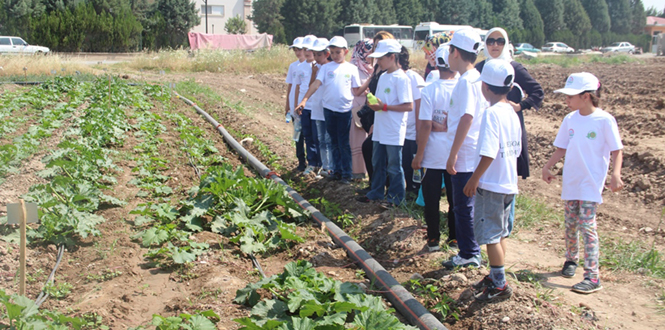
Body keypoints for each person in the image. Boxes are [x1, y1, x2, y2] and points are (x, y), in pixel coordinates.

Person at [542, 72, 623, 294]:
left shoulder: (604, 120)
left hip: (590, 182)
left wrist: (615, 174)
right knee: (570, 223)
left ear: (586, 96)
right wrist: (548, 166)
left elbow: (617, 150)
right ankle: (571, 260)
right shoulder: (570, 119)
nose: (566, 100)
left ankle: (593, 276)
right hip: (572, 181)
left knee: (587, 226)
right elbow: (562, 147)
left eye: (570, 96)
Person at [462, 59, 521, 302]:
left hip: (492, 184)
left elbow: (489, 151)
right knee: (500, 234)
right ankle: (495, 274)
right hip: (508, 182)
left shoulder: (491, 114)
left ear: (485, 87)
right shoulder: (511, 112)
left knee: (489, 236)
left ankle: (499, 285)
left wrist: (474, 179)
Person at [475, 27, 544, 235]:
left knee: (507, 174)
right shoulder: (480, 67)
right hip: (485, 125)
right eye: (490, 42)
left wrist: (521, 106)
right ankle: (488, 227)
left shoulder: (514, 68)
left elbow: (537, 92)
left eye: (499, 41)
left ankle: (504, 229)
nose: (495, 46)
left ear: (506, 44)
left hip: (509, 128)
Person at [442, 28, 486, 269]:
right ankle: (471, 250)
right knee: (465, 205)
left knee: (462, 206)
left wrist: (453, 153)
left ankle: (469, 253)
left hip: (466, 152)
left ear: (455, 53)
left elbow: (467, 117)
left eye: (449, 50)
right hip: (471, 151)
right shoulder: (474, 79)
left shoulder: (467, 83)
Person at [412, 45, 459, 252]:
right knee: (454, 198)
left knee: (432, 198)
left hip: (432, 153)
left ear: (436, 65)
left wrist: (419, 154)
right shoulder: (462, 87)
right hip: (456, 154)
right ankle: (455, 238)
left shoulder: (430, 90)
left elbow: (425, 125)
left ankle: (433, 238)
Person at [296, 36, 361, 184]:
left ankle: (346, 173)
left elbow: (356, 90)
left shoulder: (351, 68)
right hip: (329, 109)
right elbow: (316, 84)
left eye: (338, 52)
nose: (335, 55)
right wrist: (304, 100)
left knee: (343, 142)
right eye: (332, 52)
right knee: (332, 141)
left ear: (345, 51)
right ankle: (336, 171)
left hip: (344, 110)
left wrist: (368, 85)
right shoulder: (326, 68)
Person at [357, 39, 413, 207]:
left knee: (394, 166)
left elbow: (408, 105)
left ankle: (396, 199)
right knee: (378, 162)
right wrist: (373, 104)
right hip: (381, 128)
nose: (378, 61)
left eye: (381, 58)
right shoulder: (382, 76)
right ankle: (376, 192)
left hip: (394, 129)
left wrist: (384, 106)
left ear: (392, 57)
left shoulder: (402, 78)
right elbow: (380, 102)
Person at [356, 31, 394, 194]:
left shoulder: (391, 71)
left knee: (371, 148)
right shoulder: (378, 67)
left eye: (379, 45)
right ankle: (374, 184)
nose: (376, 49)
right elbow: (370, 83)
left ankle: (382, 187)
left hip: (382, 113)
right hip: (373, 111)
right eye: (375, 45)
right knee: (372, 150)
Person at [294, 35, 321, 176]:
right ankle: (311, 163)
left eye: (310, 49)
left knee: (318, 137)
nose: (308, 52)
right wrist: (296, 105)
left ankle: (321, 164)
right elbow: (297, 88)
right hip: (305, 106)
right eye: (305, 49)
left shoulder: (320, 66)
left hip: (317, 106)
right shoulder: (300, 67)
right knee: (308, 136)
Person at [399, 46, 425, 197]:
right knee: (403, 163)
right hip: (400, 130)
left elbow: (419, 105)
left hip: (412, 130)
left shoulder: (413, 78)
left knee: (413, 163)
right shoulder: (391, 77)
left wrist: (418, 131)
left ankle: (415, 191)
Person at [349, 39, 373, 180]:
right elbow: (356, 89)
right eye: (369, 53)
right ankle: (357, 170)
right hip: (357, 106)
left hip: (370, 107)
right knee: (357, 139)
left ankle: (367, 169)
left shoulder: (372, 67)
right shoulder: (354, 67)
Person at [309, 38, 332, 178]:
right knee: (321, 139)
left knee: (329, 140)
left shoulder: (330, 68)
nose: (316, 57)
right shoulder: (317, 69)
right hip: (317, 108)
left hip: (328, 109)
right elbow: (312, 85)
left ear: (326, 54)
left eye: (319, 54)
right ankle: (325, 166)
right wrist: (313, 72)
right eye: (314, 54)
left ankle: (331, 167)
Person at [285, 36, 307, 171]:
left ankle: (312, 161)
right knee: (298, 134)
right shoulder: (293, 66)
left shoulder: (311, 66)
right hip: (294, 105)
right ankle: (301, 161)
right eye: (295, 50)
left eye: (300, 49)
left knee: (309, 135)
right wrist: (288, 105)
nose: (298, 52)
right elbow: (290, 86)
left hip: (306, 105)